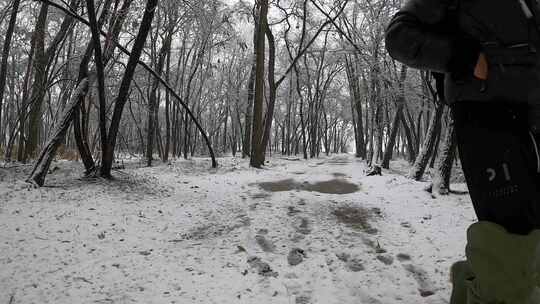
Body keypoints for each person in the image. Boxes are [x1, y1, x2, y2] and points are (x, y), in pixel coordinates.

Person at [385, 0, 540, 303]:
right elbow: (399, 37)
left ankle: (471, 286)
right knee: (513, 244)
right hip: (487, 118)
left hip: (534, 118)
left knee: (529, 250)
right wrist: (464, 56)